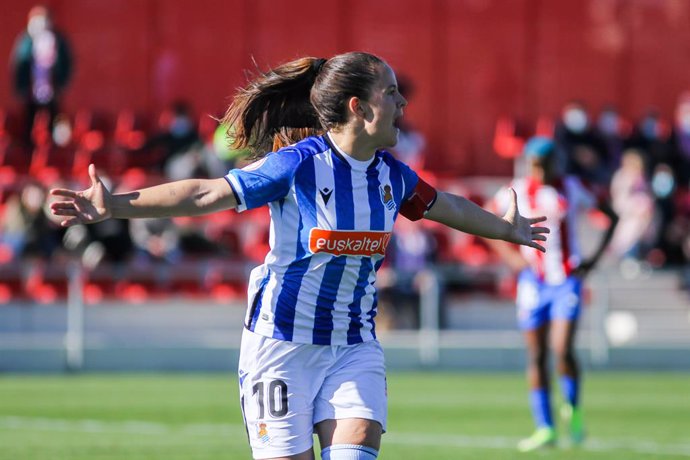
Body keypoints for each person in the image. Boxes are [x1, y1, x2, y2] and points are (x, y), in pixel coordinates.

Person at [49, 52, 549, 460]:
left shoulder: (392, 175)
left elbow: (447, 206)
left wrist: (505, 229)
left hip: (353, 346)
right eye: (391, 93)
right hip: (280, 345)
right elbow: (206, 194)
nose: (402, 103)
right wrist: (113, 205)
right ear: (359, 107)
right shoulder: (297, 166)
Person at [485, 136, 617, 452]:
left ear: (555, 162)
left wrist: (593, 261)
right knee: (537, 354)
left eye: (545, 164)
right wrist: (512, 259)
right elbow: (487, 222)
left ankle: (572, 405)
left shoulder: (572, 186)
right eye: (536, 164)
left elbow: (611, 216)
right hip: (533, 282)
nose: (541, 170)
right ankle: (545, 427)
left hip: (567, 280)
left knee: (562, 349)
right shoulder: (516, 190)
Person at [11, 5, 73, 146]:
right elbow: (19, 64)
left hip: (52, 90)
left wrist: (61, 83)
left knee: (54, 121)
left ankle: (53, 152)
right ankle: (28, 151)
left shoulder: (58, 41)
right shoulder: (26, 41)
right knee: (29, 122)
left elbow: (66, 63)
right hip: (31, 91)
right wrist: (22, 87)